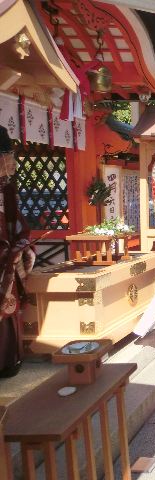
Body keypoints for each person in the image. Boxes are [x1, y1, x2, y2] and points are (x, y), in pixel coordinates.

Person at [0, 126, 35, 378]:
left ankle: (7, 361)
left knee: (7, 311)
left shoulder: (7, 190)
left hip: (4, 258)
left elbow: (17, 226)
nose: (7, 165)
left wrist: (19, 248)